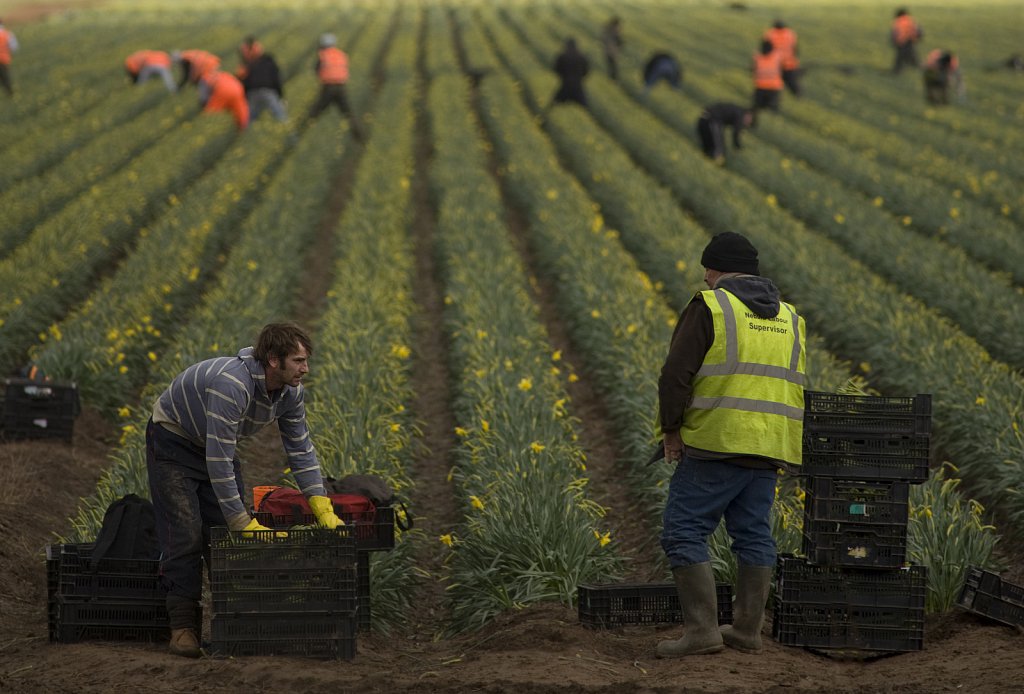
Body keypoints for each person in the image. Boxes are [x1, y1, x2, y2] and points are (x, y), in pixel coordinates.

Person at [146, 323, 344, 658]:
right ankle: (182, 628)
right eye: (297, 361)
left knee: (222, 536)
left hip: (212, 445)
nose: (305, 368)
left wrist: (321, 504)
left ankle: (231, 626)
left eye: (305, 360)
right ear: (272, 360)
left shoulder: (290, 392)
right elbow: (219, 460)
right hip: (174, 442)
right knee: (187, 534)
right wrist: (241, 521)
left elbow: (300, 449)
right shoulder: (232, 385)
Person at [656, 232, 806, 659]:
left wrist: (671, 430)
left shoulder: (711, 307)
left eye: (708, 268)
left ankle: (702, 631)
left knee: (684, 531)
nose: (705, 276)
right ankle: (746, 631)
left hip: (717, 443)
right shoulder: (791, 317)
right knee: (753, 534)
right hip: (769, 446)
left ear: (717, 270)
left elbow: (674, 375)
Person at [307, 33, 364, 141]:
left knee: (316, 110)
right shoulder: (341, 54)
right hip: (341, 87)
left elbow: (317, 69)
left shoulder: (323, 55)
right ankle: (360, 137)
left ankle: (305, 132)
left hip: (328, 87)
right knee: (348, 112)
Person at [241, 45, 286, 122]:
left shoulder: (249, 63)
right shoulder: (267, 61)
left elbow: (243, 81)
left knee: (249, 120)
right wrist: (280, 95)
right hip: (265, 92)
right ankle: (289, 132)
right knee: (280, 116)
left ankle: (247, 132)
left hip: (255, 93)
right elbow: (276, 78)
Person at [763, 20, 800, 96]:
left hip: (775, 65)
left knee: (774, 85)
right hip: (789, 64)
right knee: (792, 83)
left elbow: (765, 49)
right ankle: (798, 96)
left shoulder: (770, 34)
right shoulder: (790, 34)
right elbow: (795, 49)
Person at [751, 39, 783, 122]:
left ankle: (756, 122)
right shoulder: (777, 56)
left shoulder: (757, 56)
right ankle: (770, 122)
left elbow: (753, 69)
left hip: (762, 87)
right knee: (771, 108)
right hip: (772, 88)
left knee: (757, 108)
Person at [552, 38, 590, 107]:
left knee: (555, 105)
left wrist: (563, 76)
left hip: (565, 85)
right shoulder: (581, 57)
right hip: (578, 86)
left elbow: (556, 69)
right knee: (584, 108)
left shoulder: (562, 56)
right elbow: (586, 71)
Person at [890, 8, 923, 74]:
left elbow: (895, 33)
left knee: (900, 57)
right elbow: (918, 30)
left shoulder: (898, 22)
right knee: (911, 54)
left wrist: (894, 42)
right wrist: (917, 38)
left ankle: (897, 70)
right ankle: (916, 65)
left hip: (902, 41)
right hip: (910, 40)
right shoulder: (910, 20)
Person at [0, 18, 19, 97]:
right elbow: (14, 47)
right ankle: (10, 93)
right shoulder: (7, 34)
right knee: (5, 77)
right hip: (4, 59)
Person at [601, 16, 623, 80]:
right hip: (612, 51)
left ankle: (611, 77)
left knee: (610, 65)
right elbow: (619, 41)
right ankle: (613, 78)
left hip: (607, 50)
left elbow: (603, 38)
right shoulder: (615, 31)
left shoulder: (606, 29)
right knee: (613, 66)